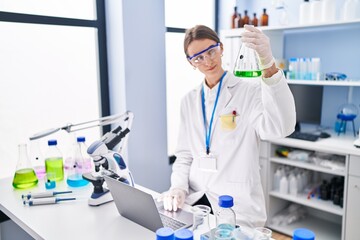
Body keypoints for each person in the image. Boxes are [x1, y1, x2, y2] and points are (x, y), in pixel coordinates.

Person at [159, 24, 296, 228]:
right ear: (191, 63)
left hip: (237, 205)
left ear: (221, 48)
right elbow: (185, 155)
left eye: (211, 51)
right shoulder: (188, 101)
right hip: (197, 201)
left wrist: (268, 65)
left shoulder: (249, 90)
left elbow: (280, 128)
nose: (208, 61)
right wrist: (178, 187)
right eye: (198, 58)